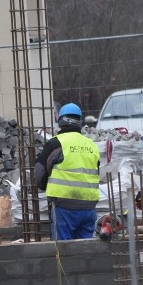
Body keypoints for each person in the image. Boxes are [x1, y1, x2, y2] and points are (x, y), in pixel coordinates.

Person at [34, 103, 101, 240]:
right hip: (88, 207)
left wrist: (43, 185)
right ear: (80, 122)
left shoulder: (56, 143)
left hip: (63, 207)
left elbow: (39, 172)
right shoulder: (92, 146)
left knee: (63, 251)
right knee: (87, 250)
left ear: (61, 121)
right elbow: (95, 172)